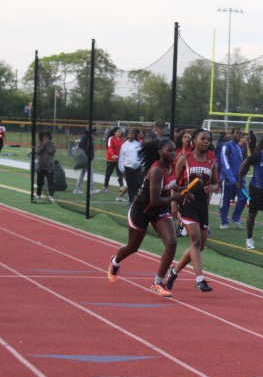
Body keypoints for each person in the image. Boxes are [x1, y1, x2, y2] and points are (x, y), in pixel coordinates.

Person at [106, 138, 189, 297]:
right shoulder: (156, 170)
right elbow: (154, 200)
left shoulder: (172, 166)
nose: (174, 153)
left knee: (172, 242)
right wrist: (175, 198)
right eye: (169, 150)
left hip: (159, 211)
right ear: (160, 152)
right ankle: (115, 261)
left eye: (174, 150)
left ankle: (157, 282)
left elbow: (170, 185)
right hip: (141, 211)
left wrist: (180, 189)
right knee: (133, 247)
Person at [166, 128, 219, 292]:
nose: (206, 142)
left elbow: (217, 184)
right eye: (203, 138)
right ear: (194, 141)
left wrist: (213, 187)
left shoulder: (212, 162)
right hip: (186, 204)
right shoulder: (184, 159)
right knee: (195, 240)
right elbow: (174, 184)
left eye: (208, 139)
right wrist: (174, 204)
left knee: (200, 246)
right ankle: (199, 280)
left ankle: (174, 271)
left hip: (202, 206)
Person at [218, 127, 248, 229]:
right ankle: (224, 221)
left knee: (244, 196)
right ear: (232, 134)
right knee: (225, 199)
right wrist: (231, 178)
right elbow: (225, 162)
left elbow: (241, 163)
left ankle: (235, 218)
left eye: (240, 133)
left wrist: (241, 177)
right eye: (237, 133)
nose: (239, 135)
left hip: (239, 179)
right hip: (227, 178)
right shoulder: (226, 146)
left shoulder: (240, 147)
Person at [118, 128, 144, 203]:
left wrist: (143, 166)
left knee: (141, 184)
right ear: (127, 135)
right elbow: (121, 158)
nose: (131, 135)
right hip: (128, 169)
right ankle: (131, 202)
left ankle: (141, 200)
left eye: (132, 133)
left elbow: (142, 156)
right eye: (129, 133)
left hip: (138, 169)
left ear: (134, 135)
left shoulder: (138, 144)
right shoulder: (124, 145)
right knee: (130, 186)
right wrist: (122, 169)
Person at [73, 127, 96, 194]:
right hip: (86, 158)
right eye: (92, 131)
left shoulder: (86, 137)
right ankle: (91, 189)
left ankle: (77, 188)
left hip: (87, 157)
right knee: (90, 172)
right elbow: (82, 147)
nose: (93, 132)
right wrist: (87, 155)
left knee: (83, 173)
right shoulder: (87, 137)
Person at [35, 131, 57, 201]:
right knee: (39, 182)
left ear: (49, 137)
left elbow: (52, 151)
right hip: (41, 165)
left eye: (46, 137)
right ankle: (38, 194)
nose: (45, 138)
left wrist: (46, 145)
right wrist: (43, 145)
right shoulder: (40, 144)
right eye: (43, 137)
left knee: (50, 182)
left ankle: (51, 195)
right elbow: (38, 152)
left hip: (49, 166)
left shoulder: (51, 144)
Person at [103, 127, 125, 193]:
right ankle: (105, 186)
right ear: (114, 132)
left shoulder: (121, 139)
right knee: (108, 173)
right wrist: (113, 155)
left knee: (119, 173)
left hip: (118, 160)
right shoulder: (111, 138)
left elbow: (123, 149)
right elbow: (110, 148)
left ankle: (121, 187)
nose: (120, 132)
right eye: (118, 131)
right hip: (110, 159)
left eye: (120, 131)